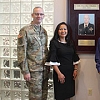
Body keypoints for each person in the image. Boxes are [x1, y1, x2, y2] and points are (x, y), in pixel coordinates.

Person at [17, 7, 50, 100]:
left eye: (41, 14)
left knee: (44, 95)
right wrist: (25, 71)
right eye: (36, 14)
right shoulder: (25, 31)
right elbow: (21, 52)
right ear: (32, 15)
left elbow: (45, 49)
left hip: (44, 70)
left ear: (43, 16)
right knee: (35, 97)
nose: (39, 16)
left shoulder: (44, 31)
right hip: (33, 71)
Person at [45, 22, 80, 100]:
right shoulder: (54, 43)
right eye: (60, 29)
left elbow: (74, 57)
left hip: (70, 74)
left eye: (65, 29)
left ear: (67, 31)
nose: (63, 31)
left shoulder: (70, 43)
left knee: (68, 96)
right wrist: (59, 74)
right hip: (60, 73)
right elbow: (52, 59)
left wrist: (75, 69)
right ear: (57, 31)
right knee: (61, 96)